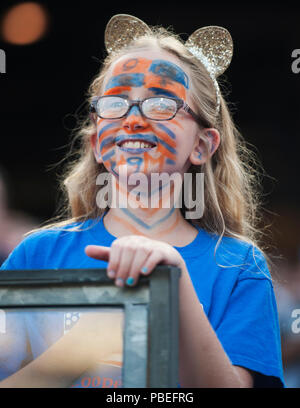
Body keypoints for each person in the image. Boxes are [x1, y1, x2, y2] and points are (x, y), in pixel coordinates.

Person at [0, 14, 284, 388]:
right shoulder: (36, 255)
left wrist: (174, 280)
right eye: (115, 104)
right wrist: (80, 349)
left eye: (161, 104)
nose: (132, 121)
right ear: (96, 140)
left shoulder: (239, 267)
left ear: (202, 145)